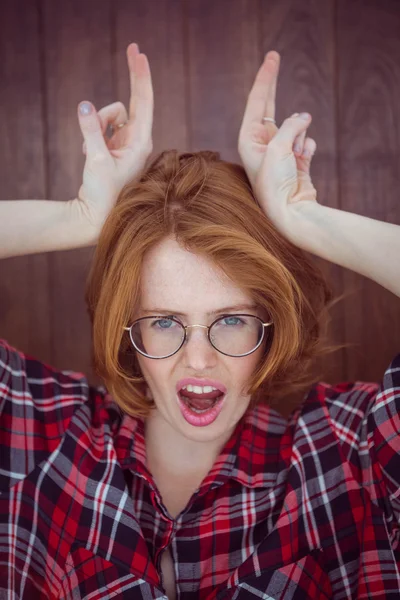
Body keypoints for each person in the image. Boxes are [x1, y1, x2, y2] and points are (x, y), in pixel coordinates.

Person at [0, 42, 399, 600]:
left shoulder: (345, 456)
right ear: (128, 329)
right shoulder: (44, 439)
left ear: (270, 324)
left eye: (231, 320)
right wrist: (79, 218)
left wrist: (304, 220)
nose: (198, 359)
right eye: (164, 322)